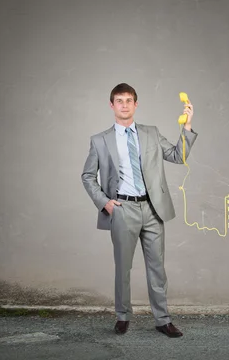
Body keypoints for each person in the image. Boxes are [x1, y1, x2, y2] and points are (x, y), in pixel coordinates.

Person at [81, 83, 198, 337]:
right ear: (111, 105)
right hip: (122, 209)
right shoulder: (99, 141)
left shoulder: (151, 133)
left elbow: (179, 156)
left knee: (157, 268)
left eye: (129, 100)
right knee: (123, 267)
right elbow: (88, 176)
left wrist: (186, 126)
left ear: (136, 104)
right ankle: (122, 316)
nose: (124, 104)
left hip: (153, 208)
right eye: (119, 100)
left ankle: (163, 320)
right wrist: (105, 203)